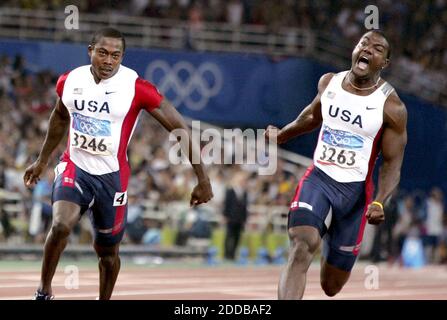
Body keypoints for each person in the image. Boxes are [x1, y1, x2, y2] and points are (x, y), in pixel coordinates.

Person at [23, 27, 213, 300]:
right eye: (102, 53)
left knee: (108, 253)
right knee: (61, 225)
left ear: (122, 57)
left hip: (112, 178)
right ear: (90, 51)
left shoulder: (136, 88)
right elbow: (60, 117)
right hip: (75, 167)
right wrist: (42, 161)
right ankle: (44, 291)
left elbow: (180, 128)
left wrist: (202, 180)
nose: (108, 61)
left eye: (115, 55)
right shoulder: (69, 81)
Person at [265, 30, 407, 299]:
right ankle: (315, 229)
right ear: (355, 50)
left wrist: (379, 201)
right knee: (302, 244)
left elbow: (392, 162)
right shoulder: (329, 82)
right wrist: (283, 134)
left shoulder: (391, 107)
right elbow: (312, 115)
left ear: (384, 63)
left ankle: (333, 238)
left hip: (354, 196)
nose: (368, 48)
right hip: (319, 179)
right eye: (364, 42)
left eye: (377, 48)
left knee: (331, 286)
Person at [223, 170, 249, 261]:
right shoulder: (230, 190)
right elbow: (227, 204)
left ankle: (233, 255)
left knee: (237, 237)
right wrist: (225, 216)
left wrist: (245, 219)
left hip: (240, 218)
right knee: (229, 236)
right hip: (231, 217)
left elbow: (245, 207)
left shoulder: (244, 192)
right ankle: (227, 254)